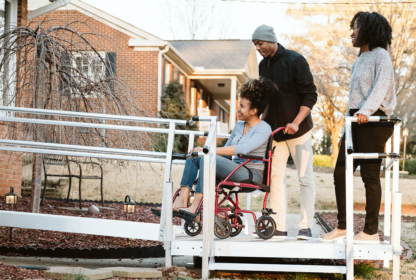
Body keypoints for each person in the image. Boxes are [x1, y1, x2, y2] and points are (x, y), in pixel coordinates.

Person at [321, 12, 396, 243]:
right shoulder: (358, 61)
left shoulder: (381, 55)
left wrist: (367, 111)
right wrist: (347, 126)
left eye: (355, 27)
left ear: (369, 30)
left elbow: (381, 85)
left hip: (374, 121)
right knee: (340, 174)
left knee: (369, 176)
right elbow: (354, 98)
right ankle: (343, 227)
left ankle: (371, 232)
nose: (351, 32)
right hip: (355, 121)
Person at [156, 77, 275, 217]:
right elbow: (225, 151)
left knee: (206, 157)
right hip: (233, 167)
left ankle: (194, 207)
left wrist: (209, 151)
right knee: (195, 155)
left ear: (254, 110)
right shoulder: (238, 126)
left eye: (242, 106)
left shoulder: (264, 128)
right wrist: (201, 152)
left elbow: (243, 149)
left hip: (250, 174)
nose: (238, 109)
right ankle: (181, 200)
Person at [252, 25, 318, 239]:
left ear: (271, 40)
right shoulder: (263, 66)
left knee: (305, 178)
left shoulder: (295, 60)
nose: (258, 48)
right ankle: (279, 226)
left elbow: (310, 95)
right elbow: (265, 99)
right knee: (275, 178)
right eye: (255, 45)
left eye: (259, 43)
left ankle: (305, 226)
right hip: (276, 132)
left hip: (299, 131)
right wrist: (259, 123)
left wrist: (297, 122)